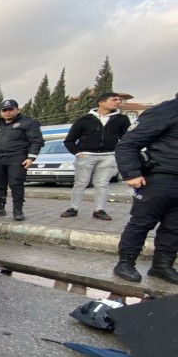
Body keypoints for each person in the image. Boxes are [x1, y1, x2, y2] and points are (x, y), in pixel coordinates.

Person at [112, 93, 178, 284]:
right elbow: (128, 144)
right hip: (159, 178)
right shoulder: (166, 111)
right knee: (142, 223)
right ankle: (125, 263)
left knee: (174, 228)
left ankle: (162, 266)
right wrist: (131, 173)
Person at [61, 92, 131, 220]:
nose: (118, 101)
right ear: (101, 103)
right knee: (80, 183)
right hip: (86, 155)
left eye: (118, 100)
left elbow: (126, 139)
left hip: (108, 156)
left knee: (102, 184)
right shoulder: (84, 120)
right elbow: (69, 140)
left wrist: (118, 153)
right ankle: (73, 208)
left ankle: (99, 210)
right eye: (114, 99)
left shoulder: (121, 119)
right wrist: (77, 153)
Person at [0, 99, 44, 221]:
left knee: (16, 184)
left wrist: (31, 157)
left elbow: (36, 141)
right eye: (4, 110)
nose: (7, 112)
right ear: (1, 112)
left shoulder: (28, 123)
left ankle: (18, 210)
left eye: (10, 109)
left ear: (17, 110)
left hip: (17, 158)